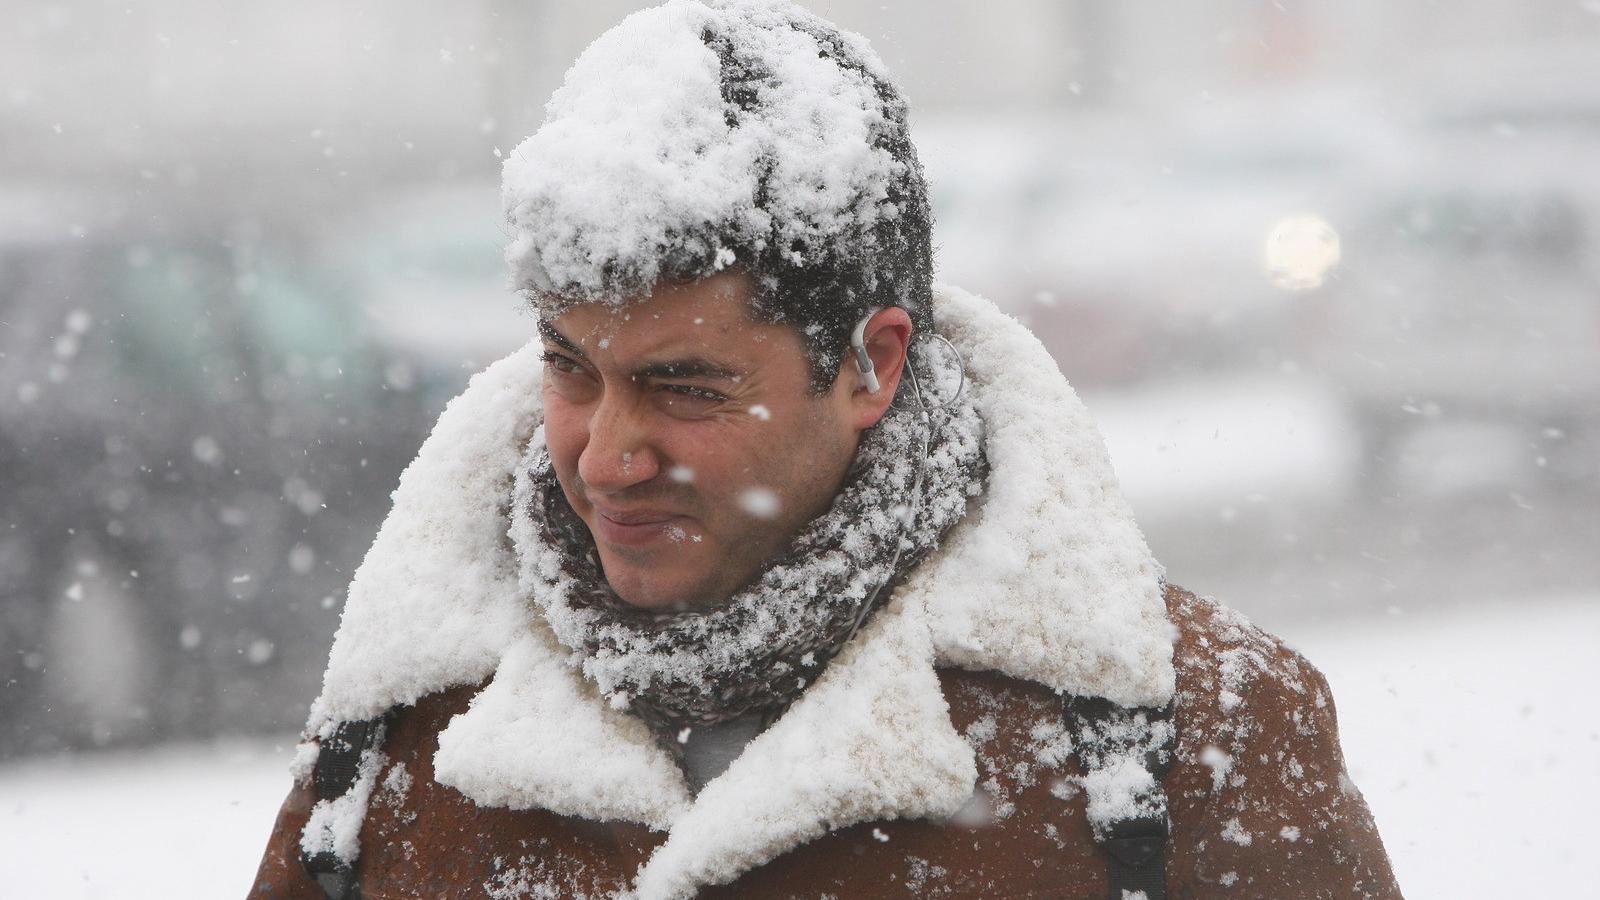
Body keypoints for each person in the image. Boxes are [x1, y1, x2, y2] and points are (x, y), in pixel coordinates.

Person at [251, 2, 1402, 897]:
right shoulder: (406, 738)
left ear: (871, 363)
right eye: (570, 370)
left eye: (683, 387)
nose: (606, 457)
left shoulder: (1179, 741)